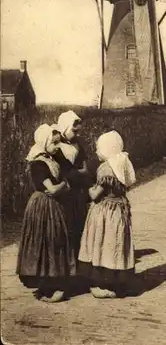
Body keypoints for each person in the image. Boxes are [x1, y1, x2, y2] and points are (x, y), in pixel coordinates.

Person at [16, 124, 76, 303]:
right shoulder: (38, 164)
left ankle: (58, 285)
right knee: (44, 243)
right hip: (42, 206)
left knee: (55, 242)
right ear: (44, 143)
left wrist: (64, 184)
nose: (58, 146)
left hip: (54, 207)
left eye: (58, 143)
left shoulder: (53, 159)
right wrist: (64, 185)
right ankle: (46, 282)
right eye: (54, 143)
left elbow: (66, 178)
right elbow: (52, 189)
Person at [78, 131, 136, 298]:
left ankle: (100, 282)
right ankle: (116, 279)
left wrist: (87, 187)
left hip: (106, 211)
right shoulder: (123, 163)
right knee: (115, 244)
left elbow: (96, 194)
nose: (96, 152)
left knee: (102, 243)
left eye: (98, 148)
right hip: (119, 210)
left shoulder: (106, 168)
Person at [55, 110, 91, 259]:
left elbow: (85, 169)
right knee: (66, 223)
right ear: (64, 128)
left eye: (78, 132)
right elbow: (63, 171)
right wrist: (76, 172)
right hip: (66, 189)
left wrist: (76, 172)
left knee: (79, 221)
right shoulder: (57, 147)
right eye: (73, 131)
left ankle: (79, 254)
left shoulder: (78, 146)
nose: (77, 134)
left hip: (78, 190)